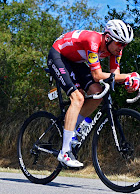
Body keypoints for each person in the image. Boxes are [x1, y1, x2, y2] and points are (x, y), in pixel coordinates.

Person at [47, 19, 140, 168]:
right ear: (108, 38)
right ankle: (64, 152)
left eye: (125, 45)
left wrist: (129, 83)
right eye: (120, 43)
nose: (122, 48)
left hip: (75, 62)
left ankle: (73, 129)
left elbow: (114, 76)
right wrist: (131, 75)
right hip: (58, 55)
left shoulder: (116, 50)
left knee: (98, 92)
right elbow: (97, 75)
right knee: (77, 98)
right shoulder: (93, 41)